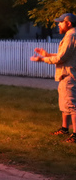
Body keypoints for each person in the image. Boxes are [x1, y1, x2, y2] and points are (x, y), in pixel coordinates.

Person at [31, 13, 76, 143]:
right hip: (65, 74)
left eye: (60, 22)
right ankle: (64, 128)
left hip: (69, 75)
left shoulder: (71, 36)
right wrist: (47, 54)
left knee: (72, 105)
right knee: (65, 103)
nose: (58, 24)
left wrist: (42, 59)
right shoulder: (70, 35)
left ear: (68, 23)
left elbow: (61, 58)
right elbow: (64, 55)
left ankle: (75, 135)